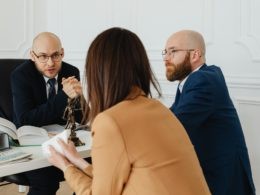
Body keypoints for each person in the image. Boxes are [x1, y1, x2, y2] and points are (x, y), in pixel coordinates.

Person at [47, 27, 211, 195]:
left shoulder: (110, 121)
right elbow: (115, 179)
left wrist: (66, 167)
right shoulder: (159, 109)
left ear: (97, 72)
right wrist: (78, 161)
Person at [163, 29, 255, 195]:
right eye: (165, 52)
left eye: (173, 51)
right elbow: (172, 115)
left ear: (195, 55)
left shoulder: (203, 80)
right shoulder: (192, 81)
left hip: (224, 182)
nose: (166, 58)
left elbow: (175, 124)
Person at [11, 32, 83, 195]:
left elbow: (77, 119)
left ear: (62, 53)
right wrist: (63, 97)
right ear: (32, 55)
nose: (50, 63)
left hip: (62, 140)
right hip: (31, 144)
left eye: (55, 55)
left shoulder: (71, 71)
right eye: (43, 56)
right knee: (46, 181)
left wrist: (79, 99)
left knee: (95, 169)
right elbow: (25, 120)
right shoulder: (20, 76)